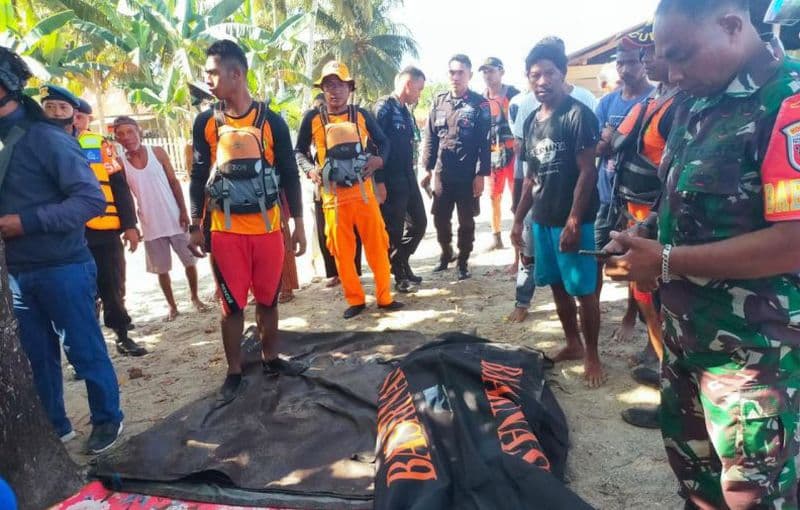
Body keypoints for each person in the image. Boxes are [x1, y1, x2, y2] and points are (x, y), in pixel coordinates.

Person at [605, 0, 800, 506]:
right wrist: (642, 235)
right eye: (664, 59)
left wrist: (666, 262)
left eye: (681, 56)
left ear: (732, 26)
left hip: (756, 366)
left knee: (755, 498)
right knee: (699, 489)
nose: (670, 72)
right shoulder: (694, 100)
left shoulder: (788, 102)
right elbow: (683, 204)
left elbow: (794, 240)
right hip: (688, 349)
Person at [0, 48, 124, 453]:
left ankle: (108, 419)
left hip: (63, 266)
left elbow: (90, 201)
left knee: (84, 350)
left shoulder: (45, 138)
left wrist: (26, 222)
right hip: (17, 273)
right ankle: (56, 425)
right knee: (37, 359)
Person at [188, 40, 307, 403]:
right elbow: (197, 176)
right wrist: (196, 224)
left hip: (269, 229)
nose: (207, 79)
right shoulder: (206, 123)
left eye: (212, 72)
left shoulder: (271, 122)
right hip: (225, 233)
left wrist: (299, 224)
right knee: (231, 306)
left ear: (236, 73)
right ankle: (234, 370)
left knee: (269, 300)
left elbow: (289, 174)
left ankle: (271, 358)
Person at [510, 41, 604, 388]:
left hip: (575, 221)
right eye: (535, 75)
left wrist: (575, 220)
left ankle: (592, 353)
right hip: (543, 220)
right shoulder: (533, 121)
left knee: (584, 291)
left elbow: (588, 172)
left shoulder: (579, 114)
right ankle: (572, 343)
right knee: (556, 287)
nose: (542, 80)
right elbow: (531, 178)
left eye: (549, 73)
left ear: (563, 74)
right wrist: (519, 219)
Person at [607, 26, 684, 429]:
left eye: (651, 51)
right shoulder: (654, 100)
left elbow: (674, 179)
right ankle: (665, 374)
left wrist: (649, 224)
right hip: (635, 215)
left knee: (663, 304)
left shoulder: (681, 105)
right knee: (645, 299)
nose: (647, 59)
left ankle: (673, 395)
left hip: (659, 224)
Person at [40, 85, 147, 357]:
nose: (71, 119)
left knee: (113, 285)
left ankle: (122, 335)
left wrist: (130, 226)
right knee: (75, 293)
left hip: (104, 230)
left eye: (76, 114)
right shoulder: (39, 145)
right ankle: (83, 352)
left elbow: (119, 186)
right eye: (51, 107)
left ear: (82, 117)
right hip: (65, 232)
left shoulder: (98, 144)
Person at [296, 61, 402, 319]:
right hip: (333, 199)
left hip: (363, 194)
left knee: (377, 245)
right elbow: (299, 151)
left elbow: (384, 143)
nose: (335, 91)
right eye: (329, 85)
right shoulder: (312, 118)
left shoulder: (362, 115)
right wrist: (311, 170)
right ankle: (355, 299)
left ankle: (384, 297)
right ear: (322, 89)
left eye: (340, 85)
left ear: (350, 88)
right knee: (342, 252)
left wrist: (379, 161)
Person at [112, 116, 209, 320]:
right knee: (161, 269)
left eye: (129, 131)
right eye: (120, 134)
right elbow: (125, 197)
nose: (126, 137)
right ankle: (172, 306)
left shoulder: (157, 152)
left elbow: (174, 183)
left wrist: (183, 211)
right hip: (150, 223)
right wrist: (132, 226)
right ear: (117, 139)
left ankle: (194, 298)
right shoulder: (120, 163)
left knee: (189, 261)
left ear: (139, 130)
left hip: (174, 217)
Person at [593, 39, 655, 341]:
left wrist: (612, 137)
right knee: (601, 255)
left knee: (636, 261)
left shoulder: (654, 100)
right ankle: (595, 311)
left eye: (631, 62)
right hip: (607, 193)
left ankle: (633, 315)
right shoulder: (607, 103)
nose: (624, 68)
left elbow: (613, 142)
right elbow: (598, 146)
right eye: (620, 62)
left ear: (643, 62)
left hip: (640, 199)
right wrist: (611, 140)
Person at [421, 54, 491, 280]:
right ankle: (446, 253)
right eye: (452, 72)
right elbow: (430, 137)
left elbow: (485, 143)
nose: (456, 77)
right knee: (440, 218)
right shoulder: (438, 101)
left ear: (469, 75)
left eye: (461, 72)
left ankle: (463, 261)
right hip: (443, 173)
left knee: (466, 221)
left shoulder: (480, 104)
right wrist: (427, 168)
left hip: (468, 174)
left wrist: (481, 175)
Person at [374, 66, 427, 293]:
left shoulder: (406, 110)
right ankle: (397, 275)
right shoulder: (384, 107)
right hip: (390, 179)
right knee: (393, 230)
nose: (420, 94)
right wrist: (379, 181)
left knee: (420, 223)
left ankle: (401, 261)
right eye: (419, 89)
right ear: (408, 85)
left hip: (408, 176)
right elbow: (373, 145)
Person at [309, 92, 363, 288]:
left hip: (348, 187)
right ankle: (332, 271)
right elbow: (301, 156)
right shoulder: (312, 132)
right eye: (317, 108)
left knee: (352, 231)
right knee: (326, 233)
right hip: (322, 190)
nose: (321, 112)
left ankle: (353, 271)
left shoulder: (345, 129)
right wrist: (311, 171)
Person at [480, 57, 520, 251]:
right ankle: (496, 237)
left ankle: (519, 235)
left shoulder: (514, 95)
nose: (487, 75)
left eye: (491, 71)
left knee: (517, 196)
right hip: (493, 154)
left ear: (501, 71)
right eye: (484, 72)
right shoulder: (480, 99)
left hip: (514, 152)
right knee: (493, 196)